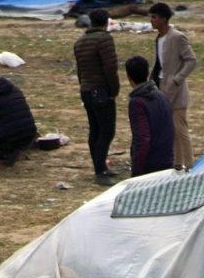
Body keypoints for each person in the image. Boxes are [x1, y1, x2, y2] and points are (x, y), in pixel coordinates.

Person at [148, 1, 197, 170]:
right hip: (161, 87)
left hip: (175, 89)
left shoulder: (176, 37)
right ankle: (177, 163)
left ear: (163, 19)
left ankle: (190, 165)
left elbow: (191, 60)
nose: (151, 21)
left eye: (154, 17)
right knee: (170, 129)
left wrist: (178, 78)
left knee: (180, 128)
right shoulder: (159, 38)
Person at [73, 10, 120, 183]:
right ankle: (100, 171)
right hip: (100, 90)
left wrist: (84, 86)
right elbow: (110, 68)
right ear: (106, 22)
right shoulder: (105, 39)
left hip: (86, 90)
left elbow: (80, 70)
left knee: (95, 130)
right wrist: (113, 90)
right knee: (107, 131)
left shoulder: (80, 42)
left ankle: (100, 167)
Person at [125, 54, 175, 177]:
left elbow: (142, 138)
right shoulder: (161, 96)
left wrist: (136, 171)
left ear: (129, 78)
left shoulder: (137, 102)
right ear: (147, 73)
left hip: (150, 165)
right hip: (167, 160)